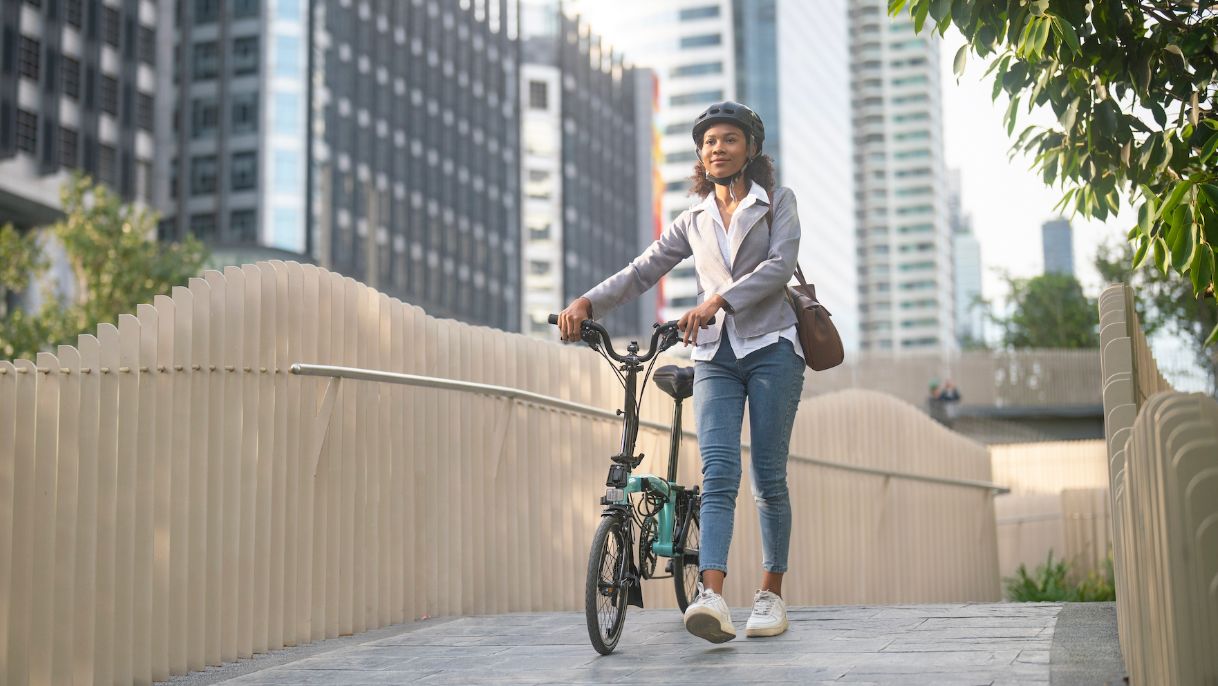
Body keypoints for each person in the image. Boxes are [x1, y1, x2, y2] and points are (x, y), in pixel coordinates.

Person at [557, 101, 805, 643]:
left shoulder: (777, 204)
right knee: (717, 473)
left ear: (752, 149)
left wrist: (717, 299)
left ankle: (771, 593)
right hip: (715, 354)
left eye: (729, 140)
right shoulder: (692, 219)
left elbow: (778, 267)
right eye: (709, 141)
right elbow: (642, 270)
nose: (718, 148)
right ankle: (710, 594)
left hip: (772, 348)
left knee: (768, 477)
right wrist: (586, 303)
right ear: (700, 154)